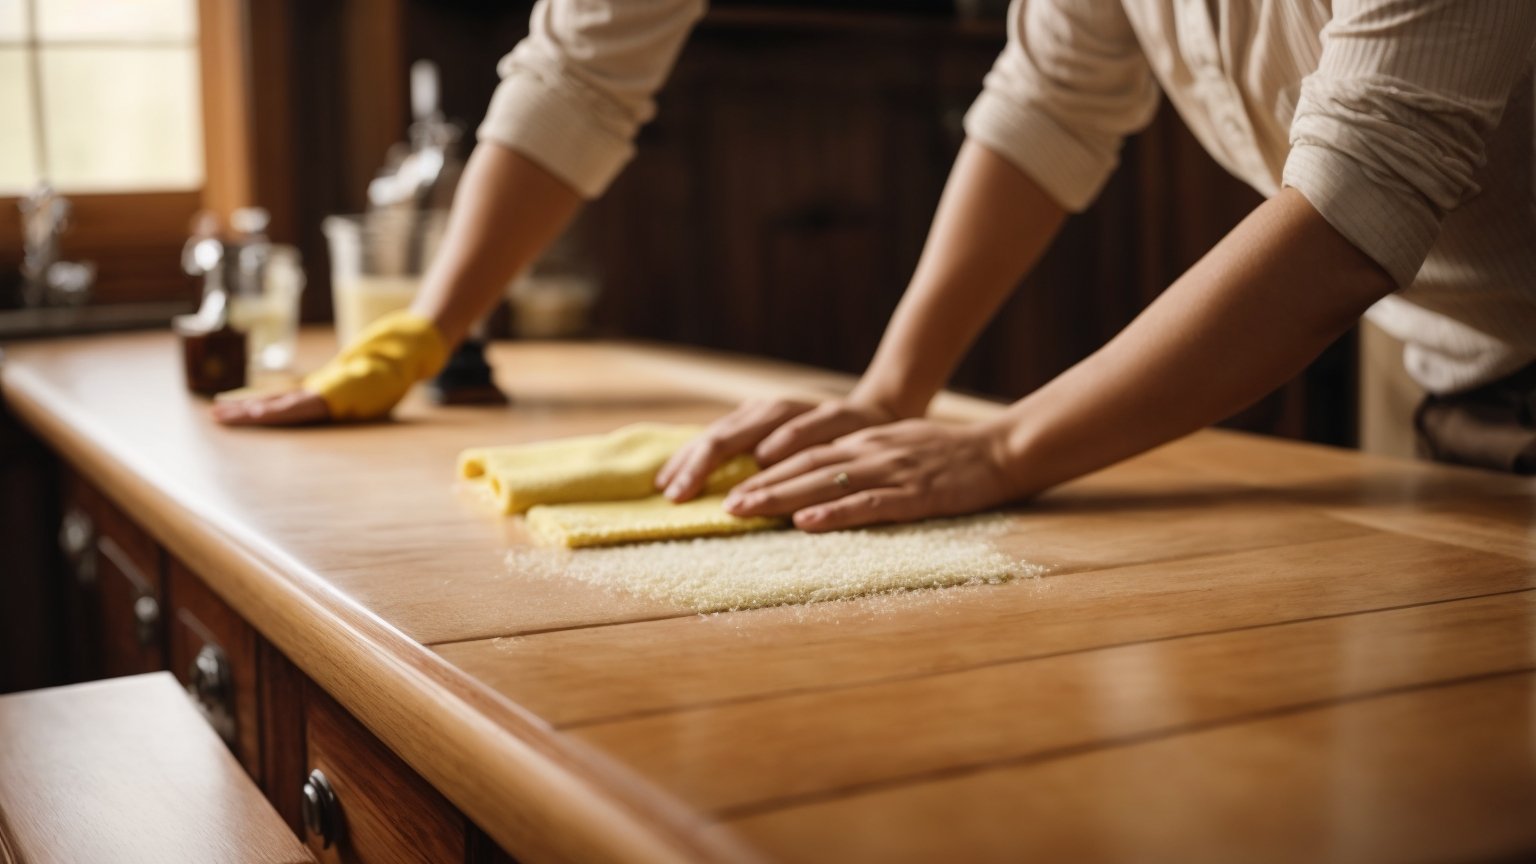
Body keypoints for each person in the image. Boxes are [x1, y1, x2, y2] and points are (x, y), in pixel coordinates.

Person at [215, 0, 1536, 532]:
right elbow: (1058, 94)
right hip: (1465, 373)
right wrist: (898, 387)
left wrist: (1006, 450)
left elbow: (1370, 179)